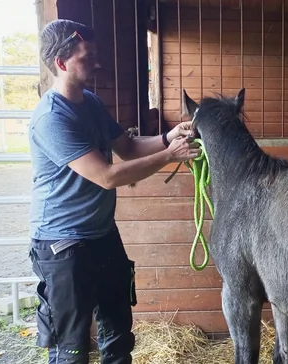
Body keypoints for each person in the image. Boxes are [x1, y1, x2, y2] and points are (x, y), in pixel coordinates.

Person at [28, 19, 201, 364]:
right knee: (72, 347)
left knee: (118, 332)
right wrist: (170, 155)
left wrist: (168, 137)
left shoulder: (90, 102)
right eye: (86, 56)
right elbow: (106, 176)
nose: (97, 63)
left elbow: (129, 148)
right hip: (63, 244)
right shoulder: (51, 118)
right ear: (61, 63)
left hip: (102, 235)